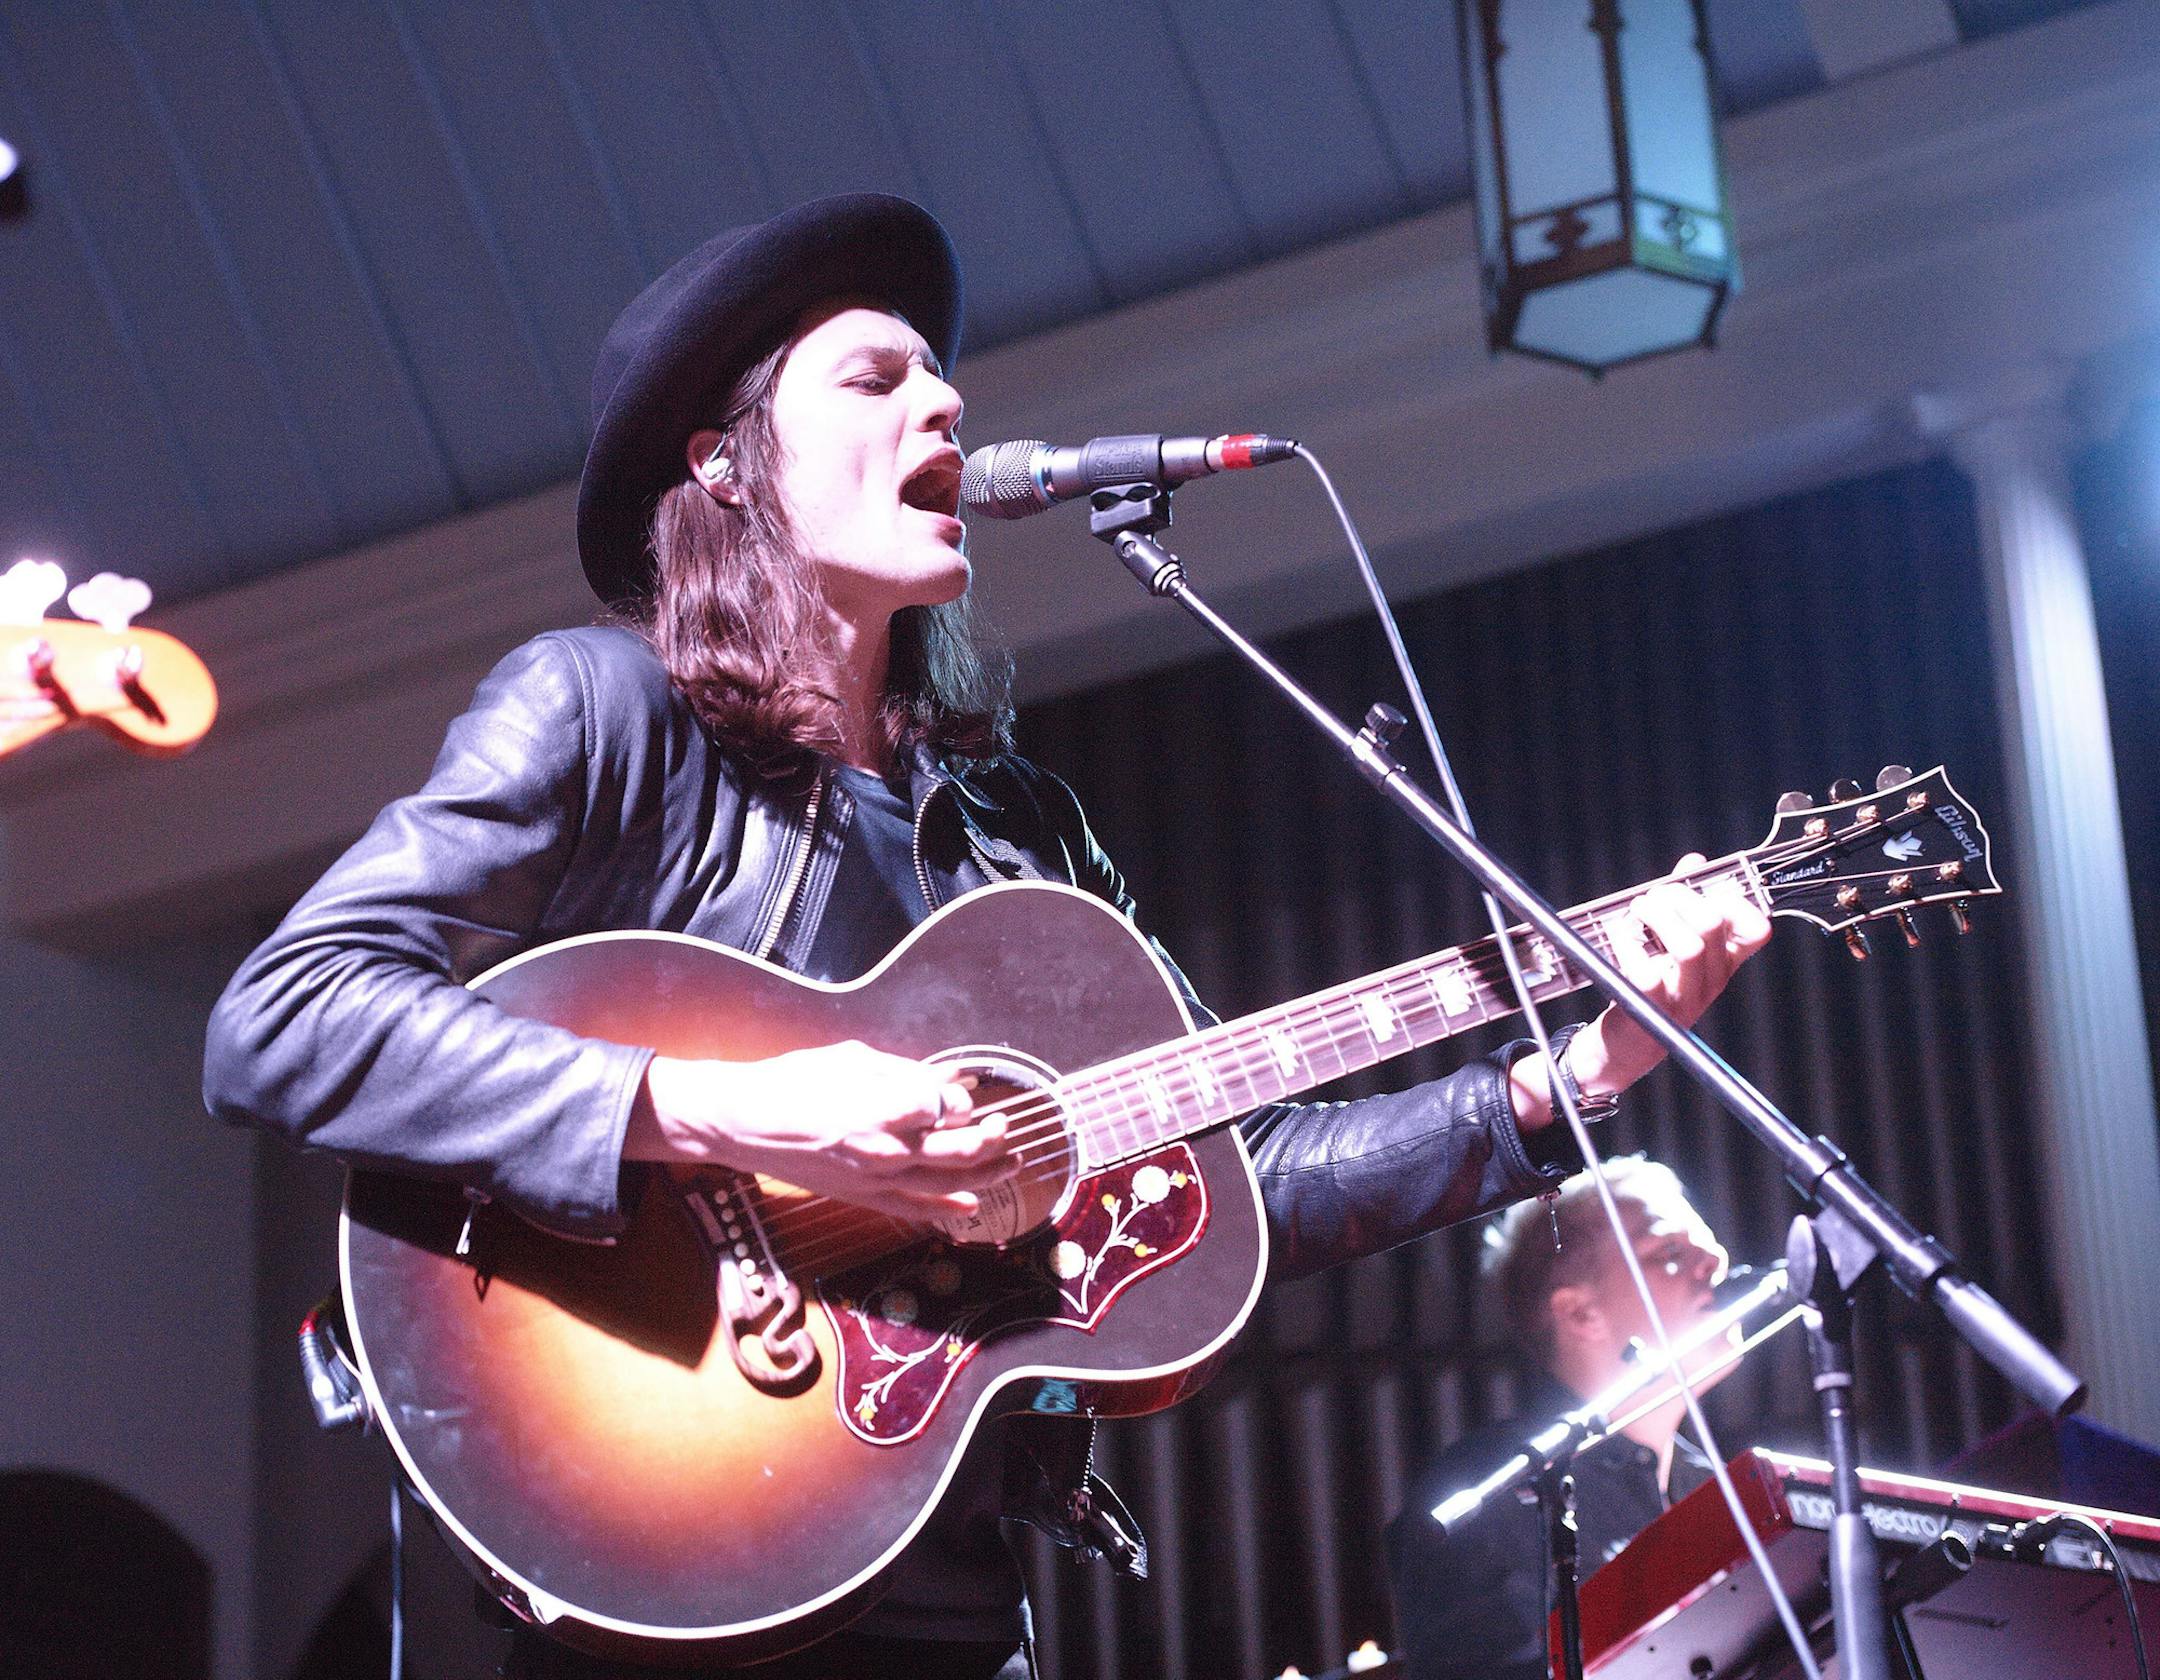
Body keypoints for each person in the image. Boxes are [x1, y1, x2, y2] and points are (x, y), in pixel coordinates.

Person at [202, 194, 1771, 1678]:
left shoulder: (1023, 837)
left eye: (944, 373)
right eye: (877, 377)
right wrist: (740, 1112)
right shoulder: (607, 716)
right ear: (727, 464)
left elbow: (1237, 1182)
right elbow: (285, 1015)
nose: (943, 403)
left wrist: (1575, 1069)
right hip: (650, 1543)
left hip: (950, 1598)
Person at [1385, 1156, 1738, 1680]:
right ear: (1579, 1313)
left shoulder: (1723, 1490)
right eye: (1668, 1251)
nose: (1715, 1259)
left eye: (1705, 1245)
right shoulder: (1482, 1496)